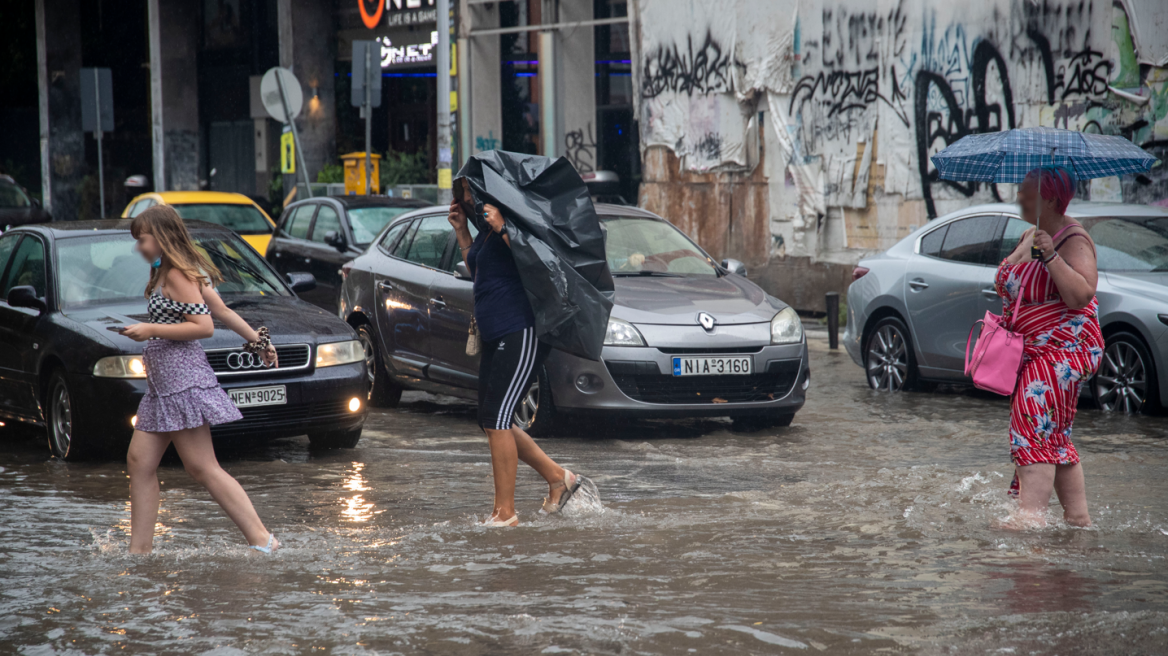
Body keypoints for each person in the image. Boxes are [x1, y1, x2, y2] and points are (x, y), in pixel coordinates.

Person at [123, 205, 281, 553]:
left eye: (143, 239)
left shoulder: (178, 274)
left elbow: (205, 326)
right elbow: (222, 310)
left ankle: (263, 540)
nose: (139, 247)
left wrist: (149, 328)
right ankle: (140, 552)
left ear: (162, 238)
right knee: (140, 461)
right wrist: (259, 343)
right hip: (163, 385)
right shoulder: (174, 271)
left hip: (182, 379)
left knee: (202, 466)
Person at [448, 179, 582, 527]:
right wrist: (464, 233)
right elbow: (479, 272)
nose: (464, 201)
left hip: (520, 329)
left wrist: (505, 227)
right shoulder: (487, 230)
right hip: (494, 333)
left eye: (468, 195)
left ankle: (505, 513)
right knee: (490, 420)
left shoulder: (515, 222)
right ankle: (557, 478)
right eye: (461, 198)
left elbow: (537, 263)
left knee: (497, 417)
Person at [995, 165, 1103, 528]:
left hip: (1063, 352)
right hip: (1033, 351)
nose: (1020, 196)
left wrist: (1051, 256)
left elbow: (1081, 294)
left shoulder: (1073, 238)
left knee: (1032, 425)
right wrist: (1026, 251)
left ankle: (1031, 520)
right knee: (1053, 435)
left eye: (1028, 190)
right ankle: (1078, 520)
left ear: (1053, 198)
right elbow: (1006, 279)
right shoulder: (1032, 233)